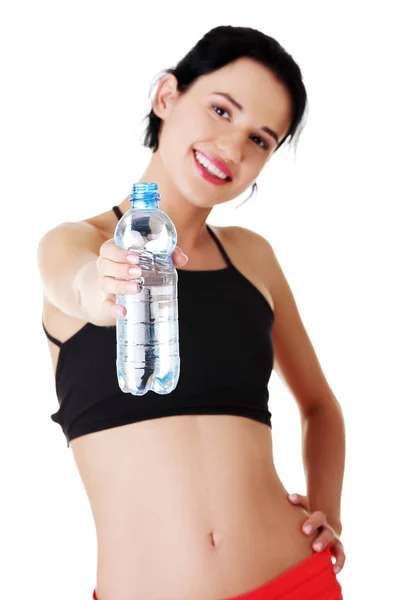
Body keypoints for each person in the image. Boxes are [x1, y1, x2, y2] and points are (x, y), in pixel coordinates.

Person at [38, 25, 346, 600]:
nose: (232, 148)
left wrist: (328, 510)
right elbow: (75, 282)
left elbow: (320, 405)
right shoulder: (75, 243)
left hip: (295, 582)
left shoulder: (253, 258)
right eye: (221, 110)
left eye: (260, 139)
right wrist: (102, 288)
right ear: (166, 97)